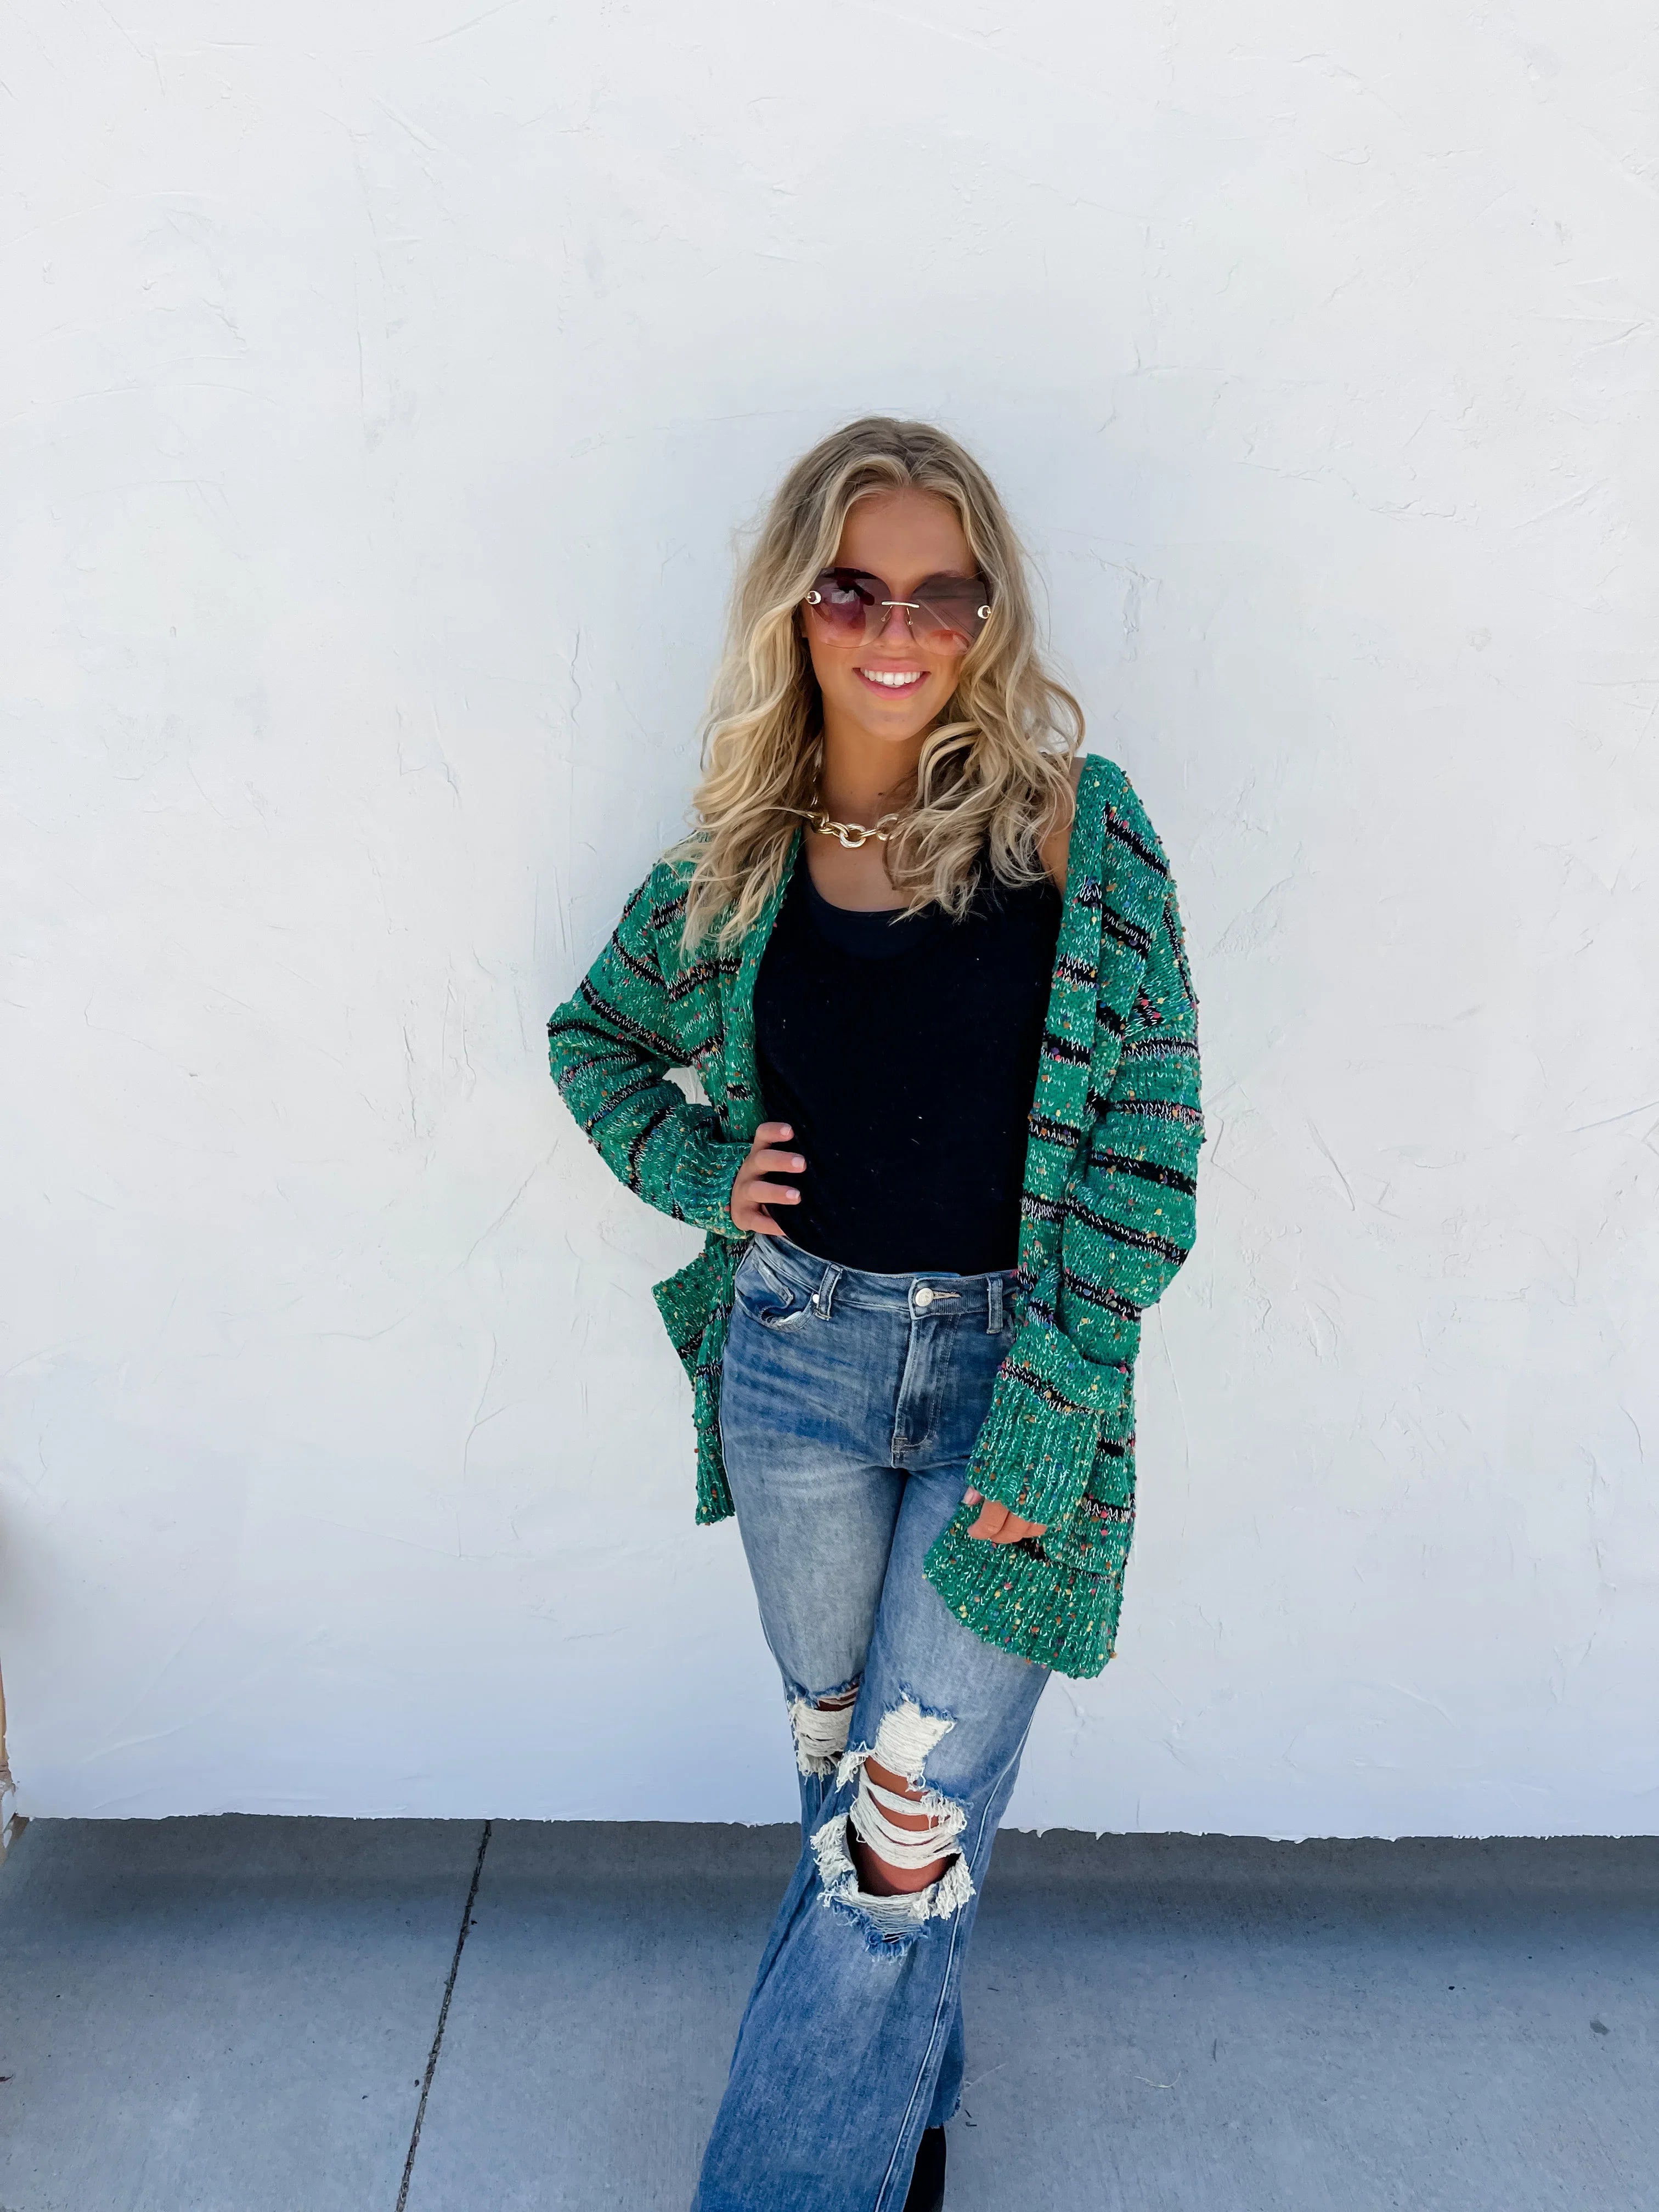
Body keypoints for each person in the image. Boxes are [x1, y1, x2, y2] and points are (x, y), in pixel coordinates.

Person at [546, 417, 1203, 2212]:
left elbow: (1149, 1149)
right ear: (798, 609)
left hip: (1011, 1380)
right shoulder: (740, 866)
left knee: (902, 1839)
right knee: (845, 1792)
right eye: (853, 590)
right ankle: (898, 2103)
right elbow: (594, 1042)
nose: (896, 629)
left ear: (989, 613)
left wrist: (1055, 1416)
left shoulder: (1077, 833)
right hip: (797, 1374)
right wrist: (705, 1173)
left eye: (939, 593)